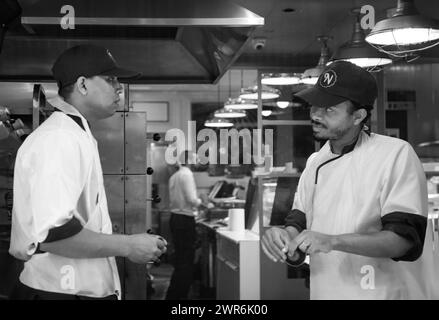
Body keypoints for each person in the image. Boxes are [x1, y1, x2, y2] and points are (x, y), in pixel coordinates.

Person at [261, 61, 439, 300]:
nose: (315, 114)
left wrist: (333, 241)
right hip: (326, 292)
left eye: (329, 109)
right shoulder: (315, 161)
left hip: (384, 294)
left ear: (358, 116)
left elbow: (404, 240)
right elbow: (299, 221)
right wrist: (285, 239)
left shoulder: (395, 154)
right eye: (315, 105)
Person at [9, 44, 167, 300]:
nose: (119, 87)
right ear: (82, 85)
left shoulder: (75, 134)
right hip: (58, 293)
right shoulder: (59, 138)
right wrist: (129, 246)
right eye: (110, 79)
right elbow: (53, 235)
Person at [165, 150, 210, 300]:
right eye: (196, 158)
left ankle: (174, 294)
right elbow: (191, 199)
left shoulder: (175, 176)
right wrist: (203, 203)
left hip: (175, 218)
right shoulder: (187, 174)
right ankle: (179, 296)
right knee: (186, 261)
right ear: (190, 160)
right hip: (184, 220)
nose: (198, 160)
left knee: (180, 260)